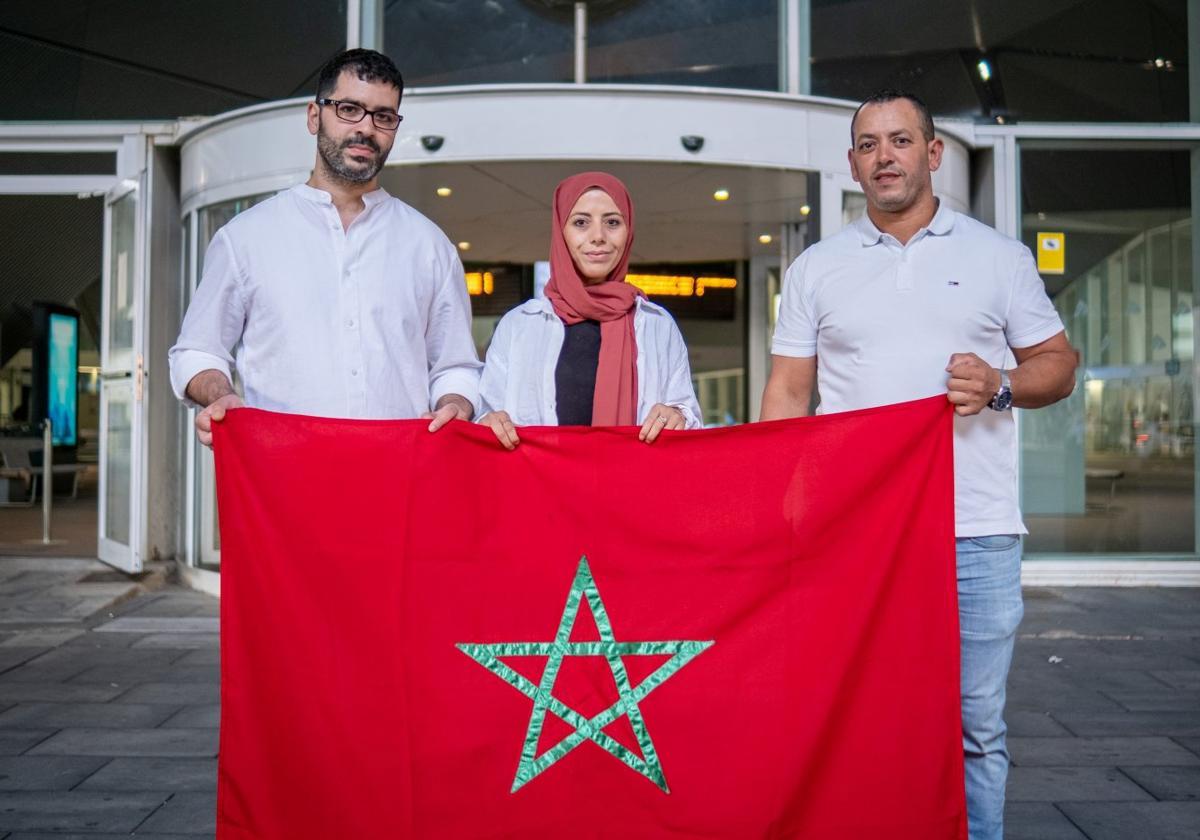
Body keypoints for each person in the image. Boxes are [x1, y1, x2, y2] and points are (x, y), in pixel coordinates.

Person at [760, 91, 1077, 840]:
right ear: (851, 164)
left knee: (974, 727)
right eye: (868, 145)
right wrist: (779, 514)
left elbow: (1058, 366)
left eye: (900, 141)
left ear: (932, 154)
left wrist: (1000, 384)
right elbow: (788, 392)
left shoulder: (998, 257)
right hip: (852, 538)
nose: (884, 157)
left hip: (976, 533)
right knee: (858, 718)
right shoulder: (816, 268)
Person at [168, 49, 480, 444]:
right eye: (349, 109)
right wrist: (223, 395)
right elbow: (197, 353)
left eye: (383, 116)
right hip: (282, 475)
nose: (366, 128)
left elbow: (456, 367)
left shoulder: (429, 245)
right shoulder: (245, 238)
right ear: (314, 116)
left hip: (400, 476)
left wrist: (456, 403)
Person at [478, 172, 701, 449]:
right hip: (539, 488)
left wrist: (677, 416)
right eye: (581, 222)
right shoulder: (519, 325)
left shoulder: (657, 325)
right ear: (561, 232)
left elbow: (688, 417)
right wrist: (488, 423)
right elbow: (484, 416)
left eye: (612, 222)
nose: (598, 236)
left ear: (628, 231)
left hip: (630, 487)